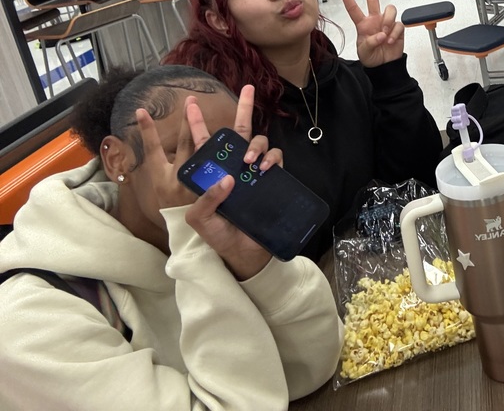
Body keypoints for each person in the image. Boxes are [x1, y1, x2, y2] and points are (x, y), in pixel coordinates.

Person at [0, 65, 343, 408]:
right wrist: (189, 240)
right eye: (186, 152)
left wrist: (256, 266)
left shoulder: (204, 232)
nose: (222, 179)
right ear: (117, 159)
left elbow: (313, 366)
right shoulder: (31, 321)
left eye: (229, 152)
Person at [164, 0, 443, 260]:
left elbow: (422, 179)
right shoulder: (233, 126)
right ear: (220, 20)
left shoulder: (351, 80)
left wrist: (389, 76)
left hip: (388, 284)